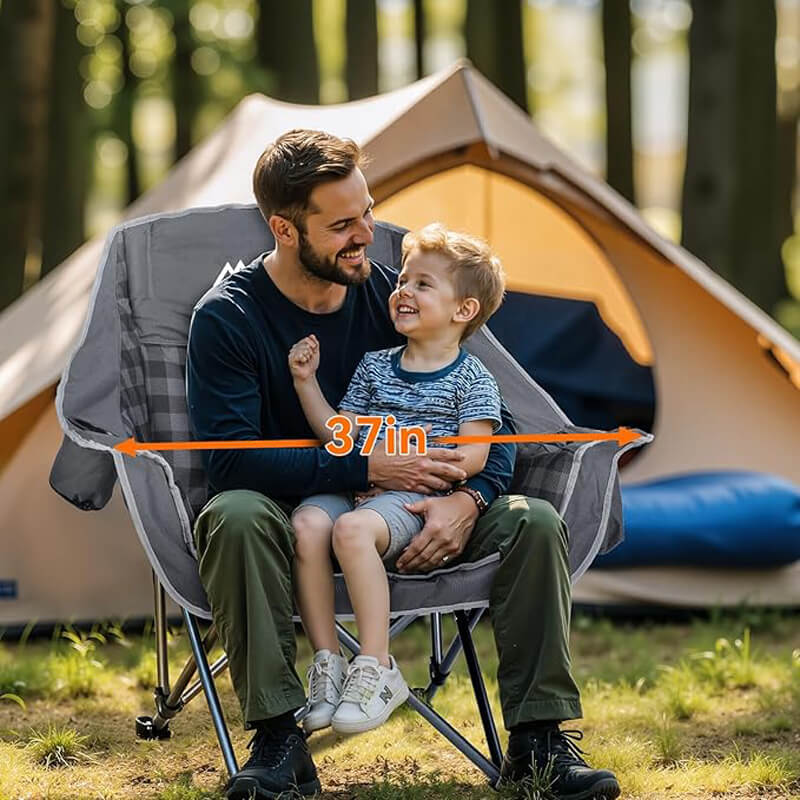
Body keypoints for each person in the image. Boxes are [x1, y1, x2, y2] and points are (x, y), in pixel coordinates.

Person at [186, 128, 621, 800]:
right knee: (232, 515)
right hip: (291, 521)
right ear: (285, 228)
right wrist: (365, 471)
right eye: (342, 224)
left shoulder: (395, 298)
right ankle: (278, 739)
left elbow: (494, 422)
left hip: (413, 511)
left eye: (367, 211)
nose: (366, 233)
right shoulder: (230, 318)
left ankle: (539, 743)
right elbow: (229, 460)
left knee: (531, 521)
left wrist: (469, 501)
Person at [287, 223, 505, 737]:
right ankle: (327, 664)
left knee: (352, 530)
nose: (402, 290)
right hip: (357, 490)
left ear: (463, 310)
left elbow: (474, 455)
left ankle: (376, 665)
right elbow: (338, 435)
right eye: (403, 280)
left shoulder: (473, 379)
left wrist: (413, 467)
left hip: (410, 504)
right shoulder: (374, 367)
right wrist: (305, 383)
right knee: (307, 525)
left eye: (422, 284)